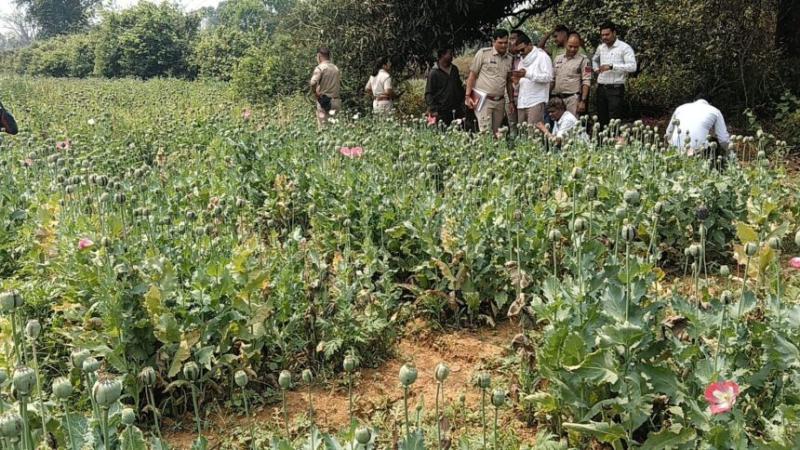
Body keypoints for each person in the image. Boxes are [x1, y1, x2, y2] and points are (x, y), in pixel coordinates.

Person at [465, 29, 514, 134]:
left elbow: (509, 81)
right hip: (482, 98)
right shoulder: (483, 53)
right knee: (485, 131)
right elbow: (472, 76)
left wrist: (511, 101)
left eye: (506, 43)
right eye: (500, 43)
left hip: (500, 101)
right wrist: (468, 96)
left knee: (497, 132)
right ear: (493, 42)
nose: (503, 45)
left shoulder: (510, 58)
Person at [592, 22, 637, 129]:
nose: (604, 37)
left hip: (616, 89)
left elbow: (632, 67)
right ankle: (601, 143)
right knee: (601, 119)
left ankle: (614, 142)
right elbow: (594, 59)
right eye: (602, 35)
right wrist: (595, 69)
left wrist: (612, 66)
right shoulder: (601, 48)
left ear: (614, 33)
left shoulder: (624, 47)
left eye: (607, 34)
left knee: (614, 120)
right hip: (601, 88)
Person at [665, 94, 730, 157]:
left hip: (676, 149)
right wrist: (730, 153)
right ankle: (714, 164)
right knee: (714, 142)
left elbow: (668, 133)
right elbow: (723, 139)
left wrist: (671, 146)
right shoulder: (715, 111)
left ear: (694, 100)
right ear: (710, 103)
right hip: (697, 151)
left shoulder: (680, 108)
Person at [514, 32, 553, 127]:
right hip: (522, 102)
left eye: (522, 50)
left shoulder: (542, 56)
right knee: (522, 133)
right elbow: (521, 83)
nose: (520, 53)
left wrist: (527, 74)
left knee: (534, 134)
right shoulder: (521, 61)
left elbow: (548, 77)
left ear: (530, 45)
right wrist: (516, 82)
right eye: (518, 51)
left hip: (536, 101)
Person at [552, 33, 592, 116]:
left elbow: (586, 81)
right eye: (570, 46)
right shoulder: (558, 59)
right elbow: (552, 79)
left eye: (576, 47)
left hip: (573, 99)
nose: (573, 49)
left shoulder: (584, 60)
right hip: (558, 99)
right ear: (566, 43)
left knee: (572, 125)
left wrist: (583, 101)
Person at [425, 48, 465, 126]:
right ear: (442, 55)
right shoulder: (434, 73)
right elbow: (428, 93)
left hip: (456, 110)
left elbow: (459, 87)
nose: (452, 56)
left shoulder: (454, 69)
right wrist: (433, 110)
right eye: (449, 54)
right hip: (441, 111)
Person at [309, 47, 342, 127]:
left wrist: (315, 93)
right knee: (334, 128)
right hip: (336, 102)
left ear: (319, 56)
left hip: (324, 102)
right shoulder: (335, 68)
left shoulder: (320, 68)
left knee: (323, 129)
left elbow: (313, 83)